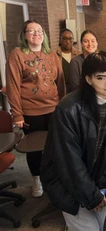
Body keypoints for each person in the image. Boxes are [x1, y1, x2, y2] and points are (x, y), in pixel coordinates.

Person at [40, 51, 106, 231]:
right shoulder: (68, 108)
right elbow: (69, 162)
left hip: (95, 181)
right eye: (101, 77)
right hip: (63, 181)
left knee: (105, 229)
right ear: (88, 79)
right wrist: (92, 197)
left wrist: (102, 192)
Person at [5, 20, 65, 198]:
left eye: (39, 30)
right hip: (31, 112)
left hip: (54, 109)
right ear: (24, 35)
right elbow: (13, 86)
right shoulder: (17, 54)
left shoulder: (52, 54)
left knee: (56, 145)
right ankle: (37, 179)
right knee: (35, 148)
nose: (36, 34)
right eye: (31, 31)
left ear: (44, 35)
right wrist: (17, 114)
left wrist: (63, 105)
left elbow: (60, 82)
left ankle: (55, 177)